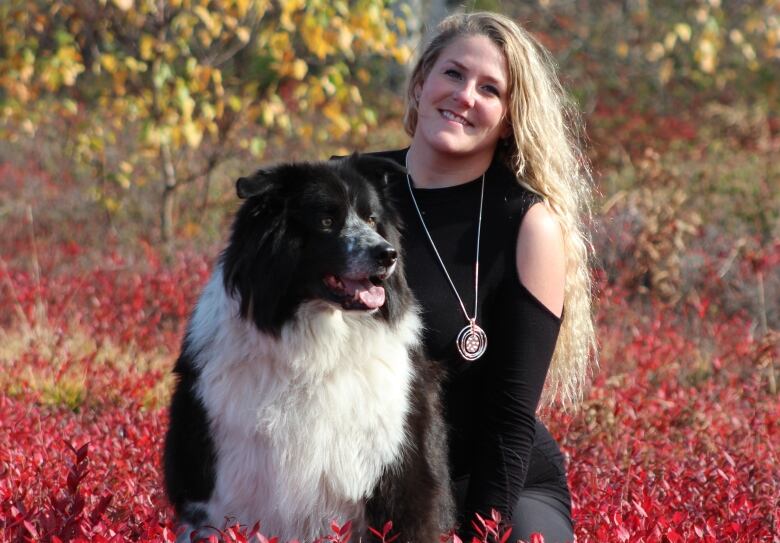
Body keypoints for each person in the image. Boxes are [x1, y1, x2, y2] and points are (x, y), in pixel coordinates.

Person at [368, 11, 596, 543]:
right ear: (422, 82)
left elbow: (510, 422)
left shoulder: (527, 224)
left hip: (497, 481)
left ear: (510, 118)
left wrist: (482, 534)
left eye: (490, 88)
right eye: (453, 74)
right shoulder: (350, 192)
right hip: (370, 482)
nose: (465, 95)